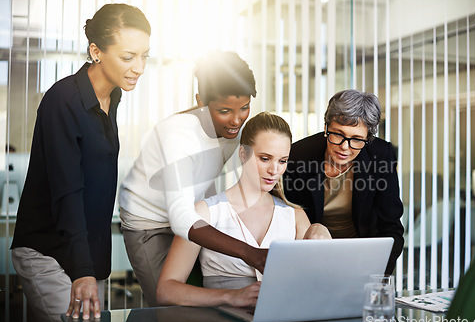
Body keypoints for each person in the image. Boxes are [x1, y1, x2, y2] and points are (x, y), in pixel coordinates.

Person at [10, 4, 151, 322]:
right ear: (96, 51)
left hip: (84, 254)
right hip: (47, 251)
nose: (139, 67)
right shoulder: (64, 100)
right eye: (128, 57)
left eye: (145, 55)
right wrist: (83, 271)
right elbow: (68, 191)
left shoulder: (112, 97)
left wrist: (91, 267)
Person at [118, 51, 264, 306]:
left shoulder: (234, 130)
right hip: (149, 225)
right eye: (225, 111)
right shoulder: (179, 135)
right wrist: (250, 253)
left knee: (205, 302)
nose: (236, 120)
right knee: (171, 306)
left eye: (244, 108)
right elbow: (182, 218)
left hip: (190, 216)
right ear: (200, 102)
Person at [156, 112, 331, 307]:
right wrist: (230, 296)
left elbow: (316, 289)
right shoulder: (204, 213)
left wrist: (321, 234)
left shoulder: (296, 217)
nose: (274, 170)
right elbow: (166, 290)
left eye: (282, 161)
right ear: (243, 154)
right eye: (265, 158)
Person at [283, 89, 404, 275]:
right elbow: (285, 220)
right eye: (338, 134)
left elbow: (391, 226)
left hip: (362, 259)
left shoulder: (381, 155)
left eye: (356, 139)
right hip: (311, 258)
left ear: (368, 139)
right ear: (326, 127)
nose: (345, 147)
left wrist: (378, 276)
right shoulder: (299, 156)